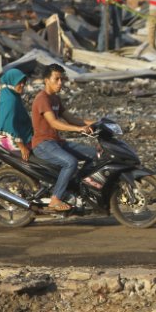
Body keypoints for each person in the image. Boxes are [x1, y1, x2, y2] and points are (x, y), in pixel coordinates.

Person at [31, 64, 96, 212]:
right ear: (47, 80)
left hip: (56, 142)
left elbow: (71, 119)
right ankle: (55, 199)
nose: (61, 83)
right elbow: (54, 123)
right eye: (57, 79)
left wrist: (98, 123)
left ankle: (75, 185)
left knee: (95, 155)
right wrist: (79, 129)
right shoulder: (42, 99)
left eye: (62, 79)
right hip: (43, 144)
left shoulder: (55, 99)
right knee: (70, 162)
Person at [0, 69, 33, 161]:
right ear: (12, 82)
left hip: (16, 136)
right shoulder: (11, 100)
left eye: (23, 82)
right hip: (12, 140)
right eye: (19, 82)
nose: (22, 85)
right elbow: (9, 126)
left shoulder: (10, 94)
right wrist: (22, 147)